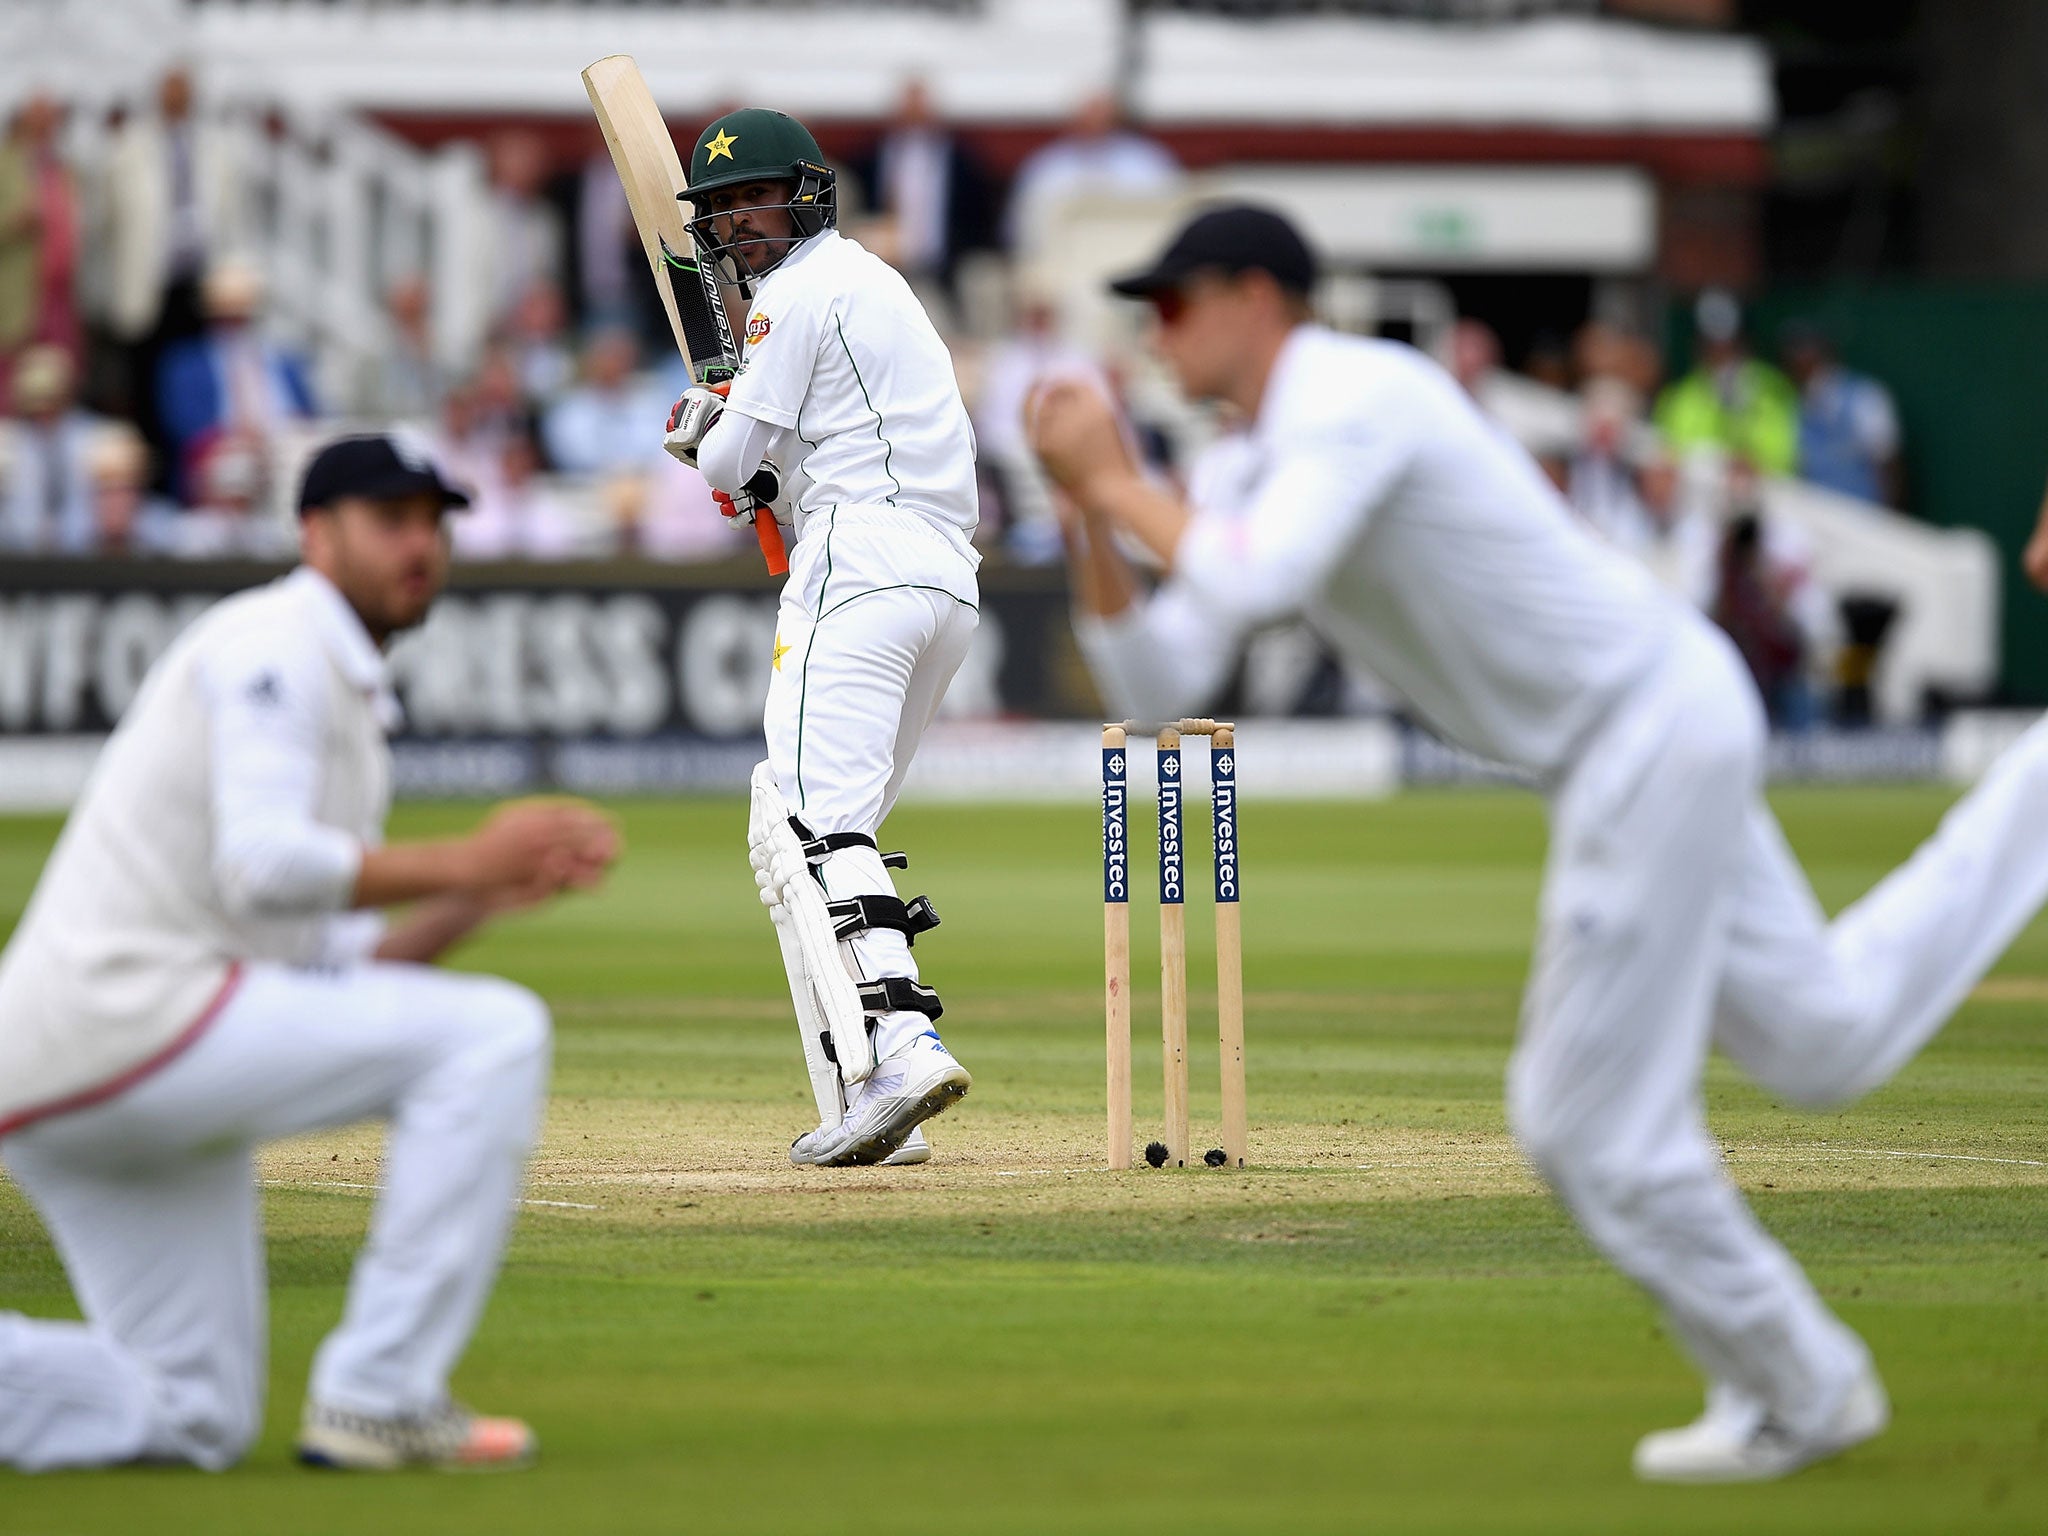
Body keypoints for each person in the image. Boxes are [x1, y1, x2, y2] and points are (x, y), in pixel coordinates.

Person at [1030, 203, 2048, 1483]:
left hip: (1642, 725)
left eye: (1172, 305)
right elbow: (1158, 669)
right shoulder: (1246, 462)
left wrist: (1117, 477)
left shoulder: (1359, 392)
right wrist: (1086, 511)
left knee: (1575, 1122)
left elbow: (1250, 582)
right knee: (1823, 1038)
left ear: (1256, 296)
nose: (1155, 334)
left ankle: (1801, 1383)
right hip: (1633, 733)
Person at [0, 433, 620, 1472]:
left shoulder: (343, 685)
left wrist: (478, 890)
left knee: (190, 1413)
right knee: (494, 1035)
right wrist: (463, 853)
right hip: (123, 1020)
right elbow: (265, 866)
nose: (418, 545)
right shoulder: (275, 640)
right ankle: (381, 1394)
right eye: (390, 521)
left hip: (100, 1060)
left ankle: (368, 1393)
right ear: (313, 532)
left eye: (433, 523)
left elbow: (333, 960)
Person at [664, 107, 978, 1167]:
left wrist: (704, 431)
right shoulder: (878, 284)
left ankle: (900, 1044)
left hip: (856, 564)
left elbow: (722, 462)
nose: (737, 223)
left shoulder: (791, 295)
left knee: (814, 821)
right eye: (720, 210)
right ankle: (870, 1093)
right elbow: (801, 446)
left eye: (751, 199)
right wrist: (762, 466)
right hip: (944, 578)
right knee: (834, 834)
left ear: (799, 194)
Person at [1654, 289, 1799, 477]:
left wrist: (1754, 462)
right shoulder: (1678, 398)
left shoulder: (1773, 387)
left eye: (1728, 345)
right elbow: (1669, 457)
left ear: (1744, 343)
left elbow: (1789, 455)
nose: (1720, 354)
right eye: (1712, 346)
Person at [1781, 321, 1902, 509]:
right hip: (1816, 518)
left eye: (1810, 355)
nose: (1803, 363)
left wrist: (1890, 519)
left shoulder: (1864, 395)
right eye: (1796, 356)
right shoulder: (1792, 405)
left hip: (1864, 515)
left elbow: (1889, 464)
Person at [0, 343, 106, 553]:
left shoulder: (97, 437)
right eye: (35, 400)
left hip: (84, 557)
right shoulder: (6, 441)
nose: (43, 410)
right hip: (16, 559)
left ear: (66, 396)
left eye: (50, 399)